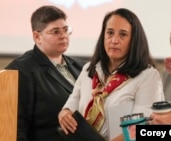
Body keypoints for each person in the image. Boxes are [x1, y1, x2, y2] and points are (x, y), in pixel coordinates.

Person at [58, 8, 164, 140]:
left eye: (123, 35)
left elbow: (139, 128)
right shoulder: (88, 70)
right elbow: (72, 102)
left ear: (134, 40)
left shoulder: (148, 76)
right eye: (110, 33)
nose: (114, 40)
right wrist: (65, 113)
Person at [5, 5, 84, 141]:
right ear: (37, 37)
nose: (63, 36)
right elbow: (14, 131)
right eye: (55, 32)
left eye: (66, 30)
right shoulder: (20, 70)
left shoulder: (81, 66)